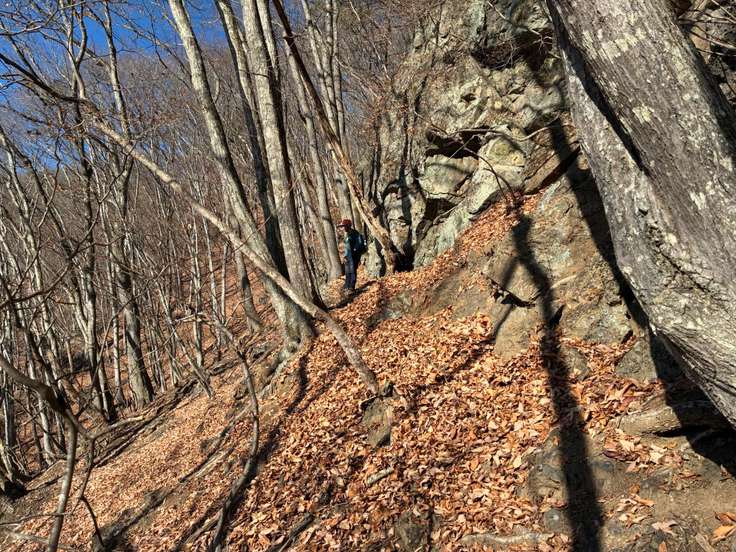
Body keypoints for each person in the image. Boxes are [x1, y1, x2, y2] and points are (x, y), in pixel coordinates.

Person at [337, 219, 367, 292]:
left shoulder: (355, 233)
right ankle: (346, 285)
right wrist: (345, 256)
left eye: (344, 226)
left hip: (353, 256)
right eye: (343, 226)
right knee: (347, 272)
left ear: (348, 226)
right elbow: (346, 246)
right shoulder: (347, 234)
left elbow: (359, 243)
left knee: (352, 270)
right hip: (347, 256)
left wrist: (354, 250)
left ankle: (351, 287)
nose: (343, 228)